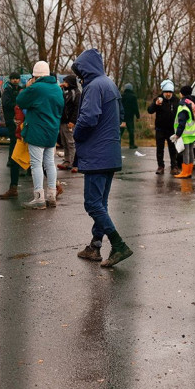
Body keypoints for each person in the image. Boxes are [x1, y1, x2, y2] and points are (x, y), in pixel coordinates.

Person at [71, 48, 133, 267]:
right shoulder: (108, 83)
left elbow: (88, 117)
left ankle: (118, 245)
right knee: (101, 203)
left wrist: (76, 133)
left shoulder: (95, 86)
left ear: (85, 68)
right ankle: (95, 246)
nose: (79, 77)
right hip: (109, 152)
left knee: (93, 204)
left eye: (80, 72)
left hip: (97, 153)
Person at [15, 61, 64, 209]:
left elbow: (20, 101)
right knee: (49, 162)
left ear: (35, 75)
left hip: (37, 130)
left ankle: (39, 197)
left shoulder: (36, 88)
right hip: (52, 131)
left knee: (36, 164)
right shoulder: (57, 88)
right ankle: (51, 195)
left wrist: (27, 87)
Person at [147, 79, 181, 175]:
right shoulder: (158, 99)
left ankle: (174, 167)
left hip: (172, 129)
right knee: (160, 149)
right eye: (166, 92)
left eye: (170, 92)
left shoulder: (176, 100)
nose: (168, 94)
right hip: (160, 129)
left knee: (172, 149)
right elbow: (150, 110)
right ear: (163, 92)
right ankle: (160, 166)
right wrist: (155, 104)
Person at [172, 86, 195, 179]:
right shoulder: (192, 103)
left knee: (186, 152)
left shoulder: (183, 105)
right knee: (190, 152)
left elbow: (182, 122)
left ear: (182, 94)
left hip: (186, 133)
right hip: (193, 132)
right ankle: (189, 171)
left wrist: (178, 134)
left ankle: (185, 172)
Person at [58, 74, 80, 170]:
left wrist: (73, 120)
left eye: (66, 82)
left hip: (70, 122)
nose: (64, 83)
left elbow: (76, 108)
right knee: (64, 141)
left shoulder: (76, 93)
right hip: (63, 121)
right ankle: (67, 160)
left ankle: (73, 162)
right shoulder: (66, 92)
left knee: (71, 142)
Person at [2, 72, 22, 165]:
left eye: (17, 78)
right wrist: (17, 104)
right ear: (10, 79)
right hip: (11, 118)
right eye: (13, 78)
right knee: (14, 140)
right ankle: (11, 160)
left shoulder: (20, 89)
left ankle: (16, 159)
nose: (15, 80)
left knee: (18, 140)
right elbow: (6, 104)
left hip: (18, 118)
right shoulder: (7, 90)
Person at [120, 83, 140, 149]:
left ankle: (117, 144)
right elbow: (135, 107)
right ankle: (131, 144)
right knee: (131, 131)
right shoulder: (133, 96)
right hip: (130, 117)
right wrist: (137, 116)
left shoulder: (121, 96)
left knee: (120, 131)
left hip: (122, 117)